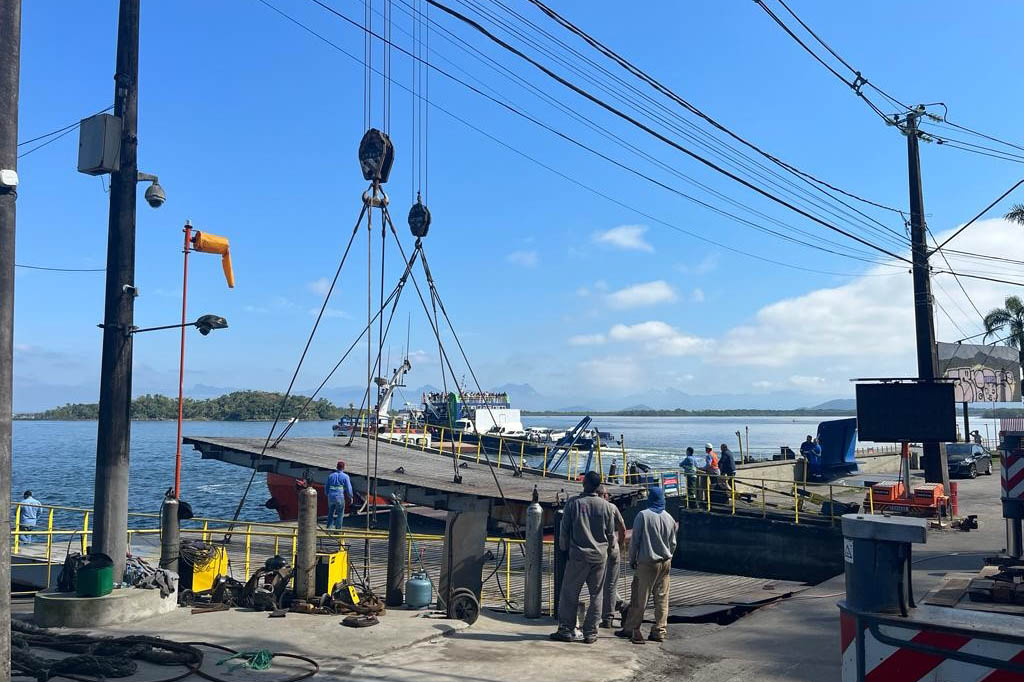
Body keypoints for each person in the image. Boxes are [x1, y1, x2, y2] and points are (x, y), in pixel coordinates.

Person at [551, 471, 616, 644]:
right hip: (599, 556)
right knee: (597, 595)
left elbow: (564, 531)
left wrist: (563, 549)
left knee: (570, 593)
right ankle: (591, 632)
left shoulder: (574, 503)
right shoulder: (607, 507)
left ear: (585, 483)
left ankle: (566, 628)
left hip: (578, 555)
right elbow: (610, 534)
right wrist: (610, 551)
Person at [616, 486, 678, 644]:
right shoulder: (669, 518)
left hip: (647, 562)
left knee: (639, 598)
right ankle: (660, 631)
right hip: (665, 562)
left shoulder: (643, 516)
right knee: (662, 599)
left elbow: (635, 541)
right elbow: (673, 543)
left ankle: (631, 628)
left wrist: (631, 560)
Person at [598, 485, 628, 629]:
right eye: (607, 494)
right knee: (609, 584)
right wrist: (620, 545)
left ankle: (609, 616)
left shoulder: (593, 507)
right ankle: (618, 609)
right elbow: (622, 528)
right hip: (612, 548)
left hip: (599, 549)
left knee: (601, 583)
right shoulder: (612, 508)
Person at [325, 460, 353, 530]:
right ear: (343, 468)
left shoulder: (331, 476)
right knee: (340, 514)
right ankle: (337, 530)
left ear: (336, 467)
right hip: (339, 496)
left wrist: (327, 493)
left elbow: (326, 486)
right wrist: (350, 496)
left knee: (330, 512)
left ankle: (329, 528)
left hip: (331, 496)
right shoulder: (345, 477)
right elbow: (348, 488)